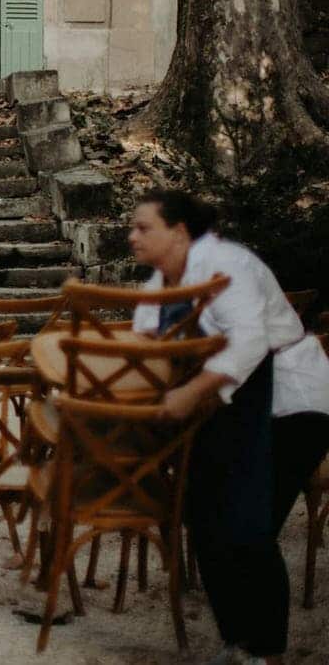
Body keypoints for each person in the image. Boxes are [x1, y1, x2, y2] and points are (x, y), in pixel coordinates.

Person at [129, 189, 329, 665]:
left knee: (247, 527)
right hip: (227, 405)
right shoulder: (160, 282)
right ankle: (238, 641)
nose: (132, 236)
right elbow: (143, 342)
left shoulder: (226, 263)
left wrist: (187, 394)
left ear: (178, 231)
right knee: (204, 517)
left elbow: (250, 341)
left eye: (143, 227)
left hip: (289, 398)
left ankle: (267, 651)